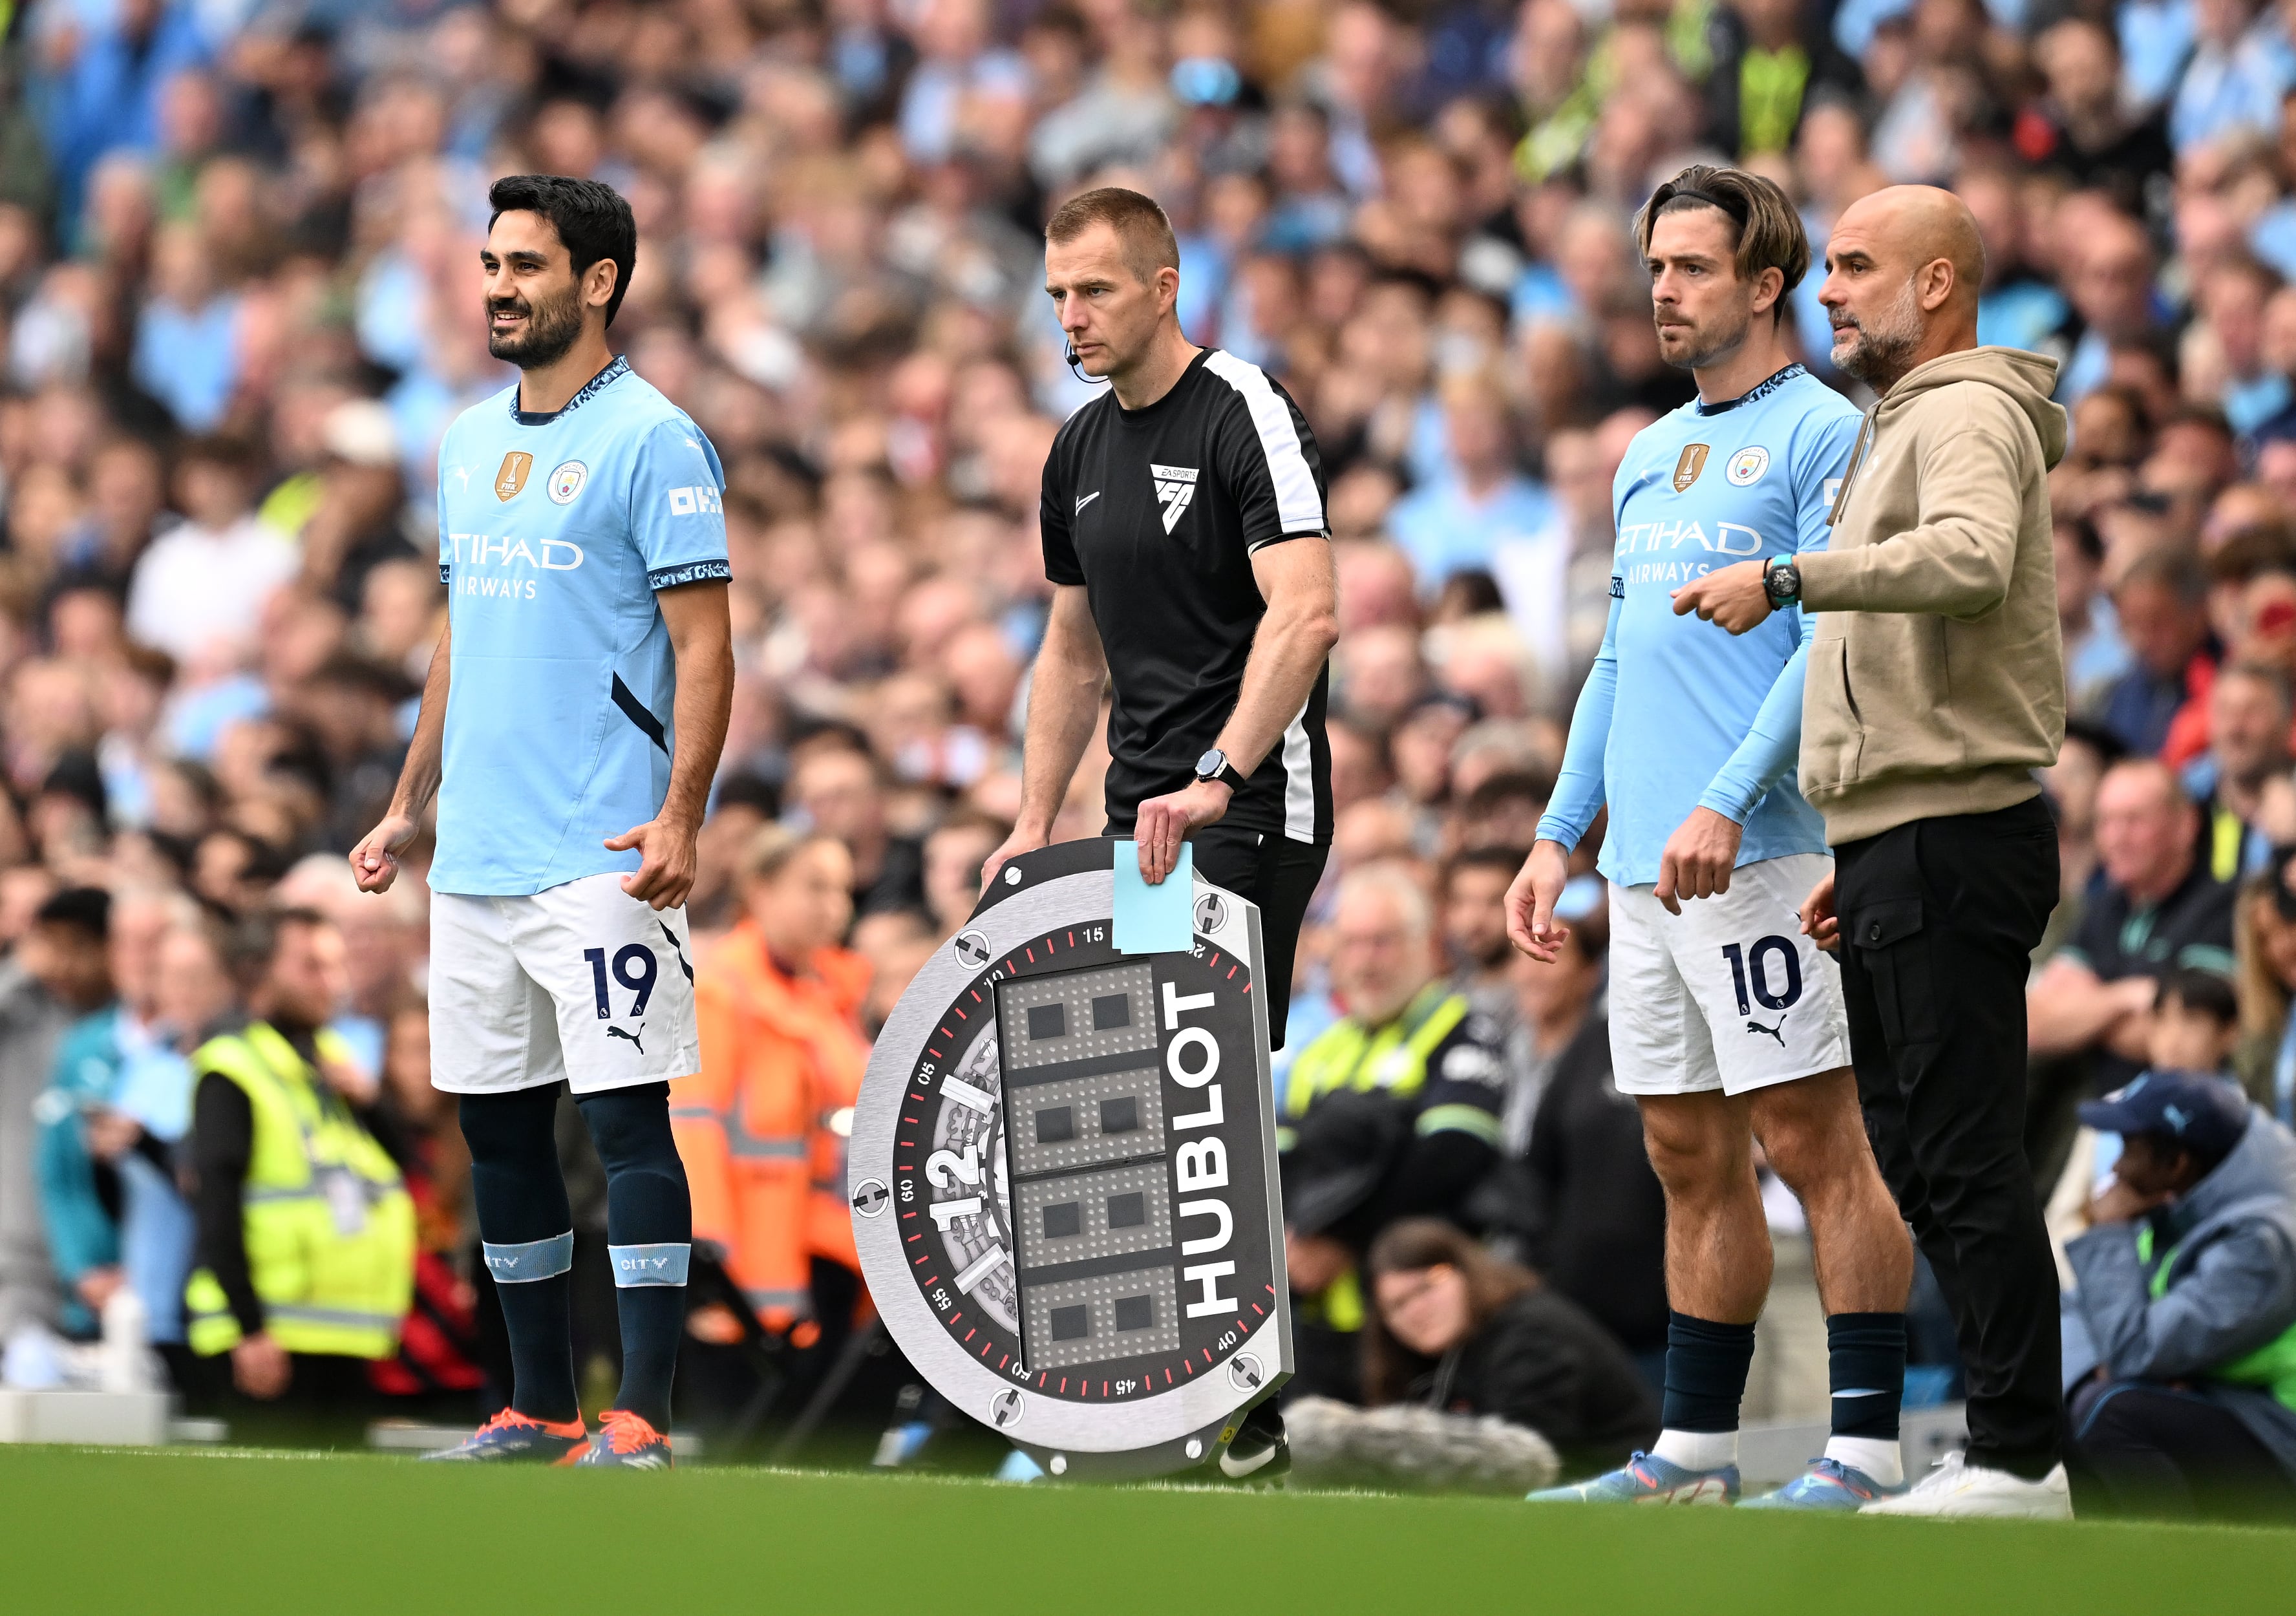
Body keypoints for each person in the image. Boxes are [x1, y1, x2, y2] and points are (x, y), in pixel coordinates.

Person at [1515, 167, 1915, 1510]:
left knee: (1815, 1138)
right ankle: (1695, 1452)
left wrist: (1728, 799)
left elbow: (1829, 638)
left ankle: (1863, 1445)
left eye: (1691, 267)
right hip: (1643, 872)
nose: (1664, 291)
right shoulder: (1643, 450)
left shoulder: (1822, 433)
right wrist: (1558, 833)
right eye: (1655, 268)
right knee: (1685, 1151)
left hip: (1763, 850)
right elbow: (1622, 658)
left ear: (1765, 283)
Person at [1677, 184, 2074, 1516]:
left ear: (1942, 283)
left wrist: (1793, 576)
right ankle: (2007, 1444)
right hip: (1911, 826)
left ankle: (2024, 1454)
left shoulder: (1958, 407)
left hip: (1957, 824)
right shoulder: (1907, 416)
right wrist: (1873, 826)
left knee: (1961, 1154)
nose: (1828, 289)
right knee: (1924, 1154)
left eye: (1855, 266)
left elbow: (1968, 557)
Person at [351, 175, 735, 1469]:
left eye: (526, 264)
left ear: (599, 279)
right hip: (477, 858)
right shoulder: (465, 441)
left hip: (602, 852)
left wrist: (684, 812)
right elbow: (460, 637)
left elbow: (708, 646)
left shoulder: (656, 440)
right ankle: (535, 1405)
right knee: (499, 1127)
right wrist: (411, 808)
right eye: (490, 263)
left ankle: (645, 1414)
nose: (500, 286)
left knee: (626, 1122)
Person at [981, 186, 1339, 1057]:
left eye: (1096, 290)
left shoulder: (1243, 408)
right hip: (1143, 817)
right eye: (1058, 296)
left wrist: (1218, 774)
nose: (1072, 316)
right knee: (1159, 1101)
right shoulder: (1076, 449)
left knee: (1216, 1089)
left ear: (1165, 287)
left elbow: (1308, 613)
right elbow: (1071, 651)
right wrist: (1034, 820)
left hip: (1245, 804)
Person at [1282, 866, 1511, 1401]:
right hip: (1318, 1319)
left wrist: (1337, 1238)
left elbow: (1449, 1157)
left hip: (1418, 1325)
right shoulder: (1321, 1051)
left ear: (1426, 945)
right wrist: (1292, 1247)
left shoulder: (1463, 1028)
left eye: (1382, 943)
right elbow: (1281, 1163)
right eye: (1352, 944)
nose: (1365, 961)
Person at [182, 909, 416, 1423]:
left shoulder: (333, 1063)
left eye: (336, 967)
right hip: (268, 1340)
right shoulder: (232, 1069)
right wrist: (250, 1330)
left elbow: (398, 1168)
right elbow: (216, 1208)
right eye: (311, 966)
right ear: (257, 971)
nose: (332, 983)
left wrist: (372, 1105)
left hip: (343, 1336)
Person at [2061, 1072, 2296, 1520]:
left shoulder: (2262, 1241)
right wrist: (2100, 1366)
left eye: (2129, 1149)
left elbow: (2135, 1349)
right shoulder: (2176, 1206)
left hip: (2280, 1433)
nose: (2115, 1169)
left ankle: (2174, 1568)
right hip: (2232, 1406)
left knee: (2110, 1410)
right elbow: (2070, 1311)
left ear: (2177, 1164)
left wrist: (2109, 1235)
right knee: (2066, 1395)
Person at [671, 827, 869, 1341]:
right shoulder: (721, 991)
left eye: (842, 891)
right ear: (760, 889)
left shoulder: (832, 993)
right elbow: (694, 1132)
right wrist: (706, 1260)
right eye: (816, 887)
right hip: (752, 1256)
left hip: (830, 1242)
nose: (833, 906)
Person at [2030, 759, 2238, 1178]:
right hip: (2092, 1125)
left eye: (2134, 821)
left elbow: (2183, 1045)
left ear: (2185, 826)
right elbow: (2033, 1023)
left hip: (2178, 1140)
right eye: (2106, 822)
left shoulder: (2221, 907)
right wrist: (2125, 998)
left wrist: (2082, 1014)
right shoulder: (2105, 906)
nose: (2115, 838)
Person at [1360, 1219, 1659, 1483]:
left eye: (1426, 1287)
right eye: (1396, 1305)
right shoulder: (1432, 1363)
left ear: (1465, 1271)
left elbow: (1525, 1465)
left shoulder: (1531, 1334)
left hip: (1635, 1500)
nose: (1415, 1310)